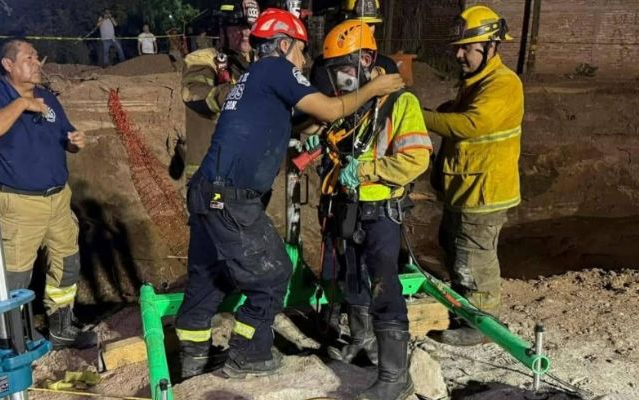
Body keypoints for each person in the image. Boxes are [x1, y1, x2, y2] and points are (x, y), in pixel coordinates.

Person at [174, 8, 405, 381]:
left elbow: (290, 121)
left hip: (207, 193)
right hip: (232, 198)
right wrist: (372, 90)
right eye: (300, 50)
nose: (303, 59)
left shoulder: (253, 80)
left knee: (207, 279)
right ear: (283, 45)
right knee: (274, 273)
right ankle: (248, 353)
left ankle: (192, 364)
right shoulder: (277, 69)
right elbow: (330, 108)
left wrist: (312, 123)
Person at [304, 20, 431, 399]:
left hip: (380, 210)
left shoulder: (399, 103)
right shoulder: (354, 106)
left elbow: (416, 159)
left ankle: (395, 377)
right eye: (335, 71)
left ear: (366, 59)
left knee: (382, 283)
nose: (340, 79)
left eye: (344, 69)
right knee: (352, 277)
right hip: (348, 209)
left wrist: (369, 169)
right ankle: (362, 339)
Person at [0, 39, 97, 350]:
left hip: (58, 199)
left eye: (37, 57)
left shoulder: (48, 98)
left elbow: (65, 134)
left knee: (67, 261)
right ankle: (12, 341)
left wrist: (74, 141)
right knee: (15, 276)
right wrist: (21, 105)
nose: (37, 63)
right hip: (19, 204)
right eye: (29, 58)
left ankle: (61, 326)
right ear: (9, 65)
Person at [423, 5, 523, 346]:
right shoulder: (477, 82)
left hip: (485, 191)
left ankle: (481, 326)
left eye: (467, 47)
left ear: (491, 47)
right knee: (454, 250)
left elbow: (470, 125)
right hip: (464, 187)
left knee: (474, 257)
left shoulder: (504, 84)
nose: (459, 54)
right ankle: (463, 310)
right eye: (458, 47)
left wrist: (418, 115)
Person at [173, 0, 260, 182]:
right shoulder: (203, 59)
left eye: (250, 27)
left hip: (249, 173)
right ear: (222, 31)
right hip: (210, 173)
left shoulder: (260, 62)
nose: (245, 34)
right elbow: (192, 93)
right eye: (238, 27)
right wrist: (236, 92)